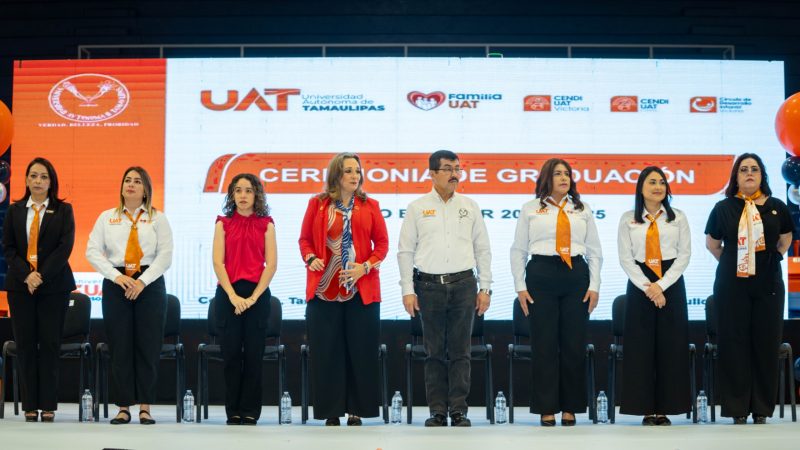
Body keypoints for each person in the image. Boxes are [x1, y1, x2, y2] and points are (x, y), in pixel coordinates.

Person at [398, 149, 492, 427]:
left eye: (458, 168)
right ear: (433, 173)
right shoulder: (417, 207)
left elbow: (482, 249)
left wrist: (485, 287)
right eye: (448, 168)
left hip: (464, 285)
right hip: (428, 286)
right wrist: (407, 289)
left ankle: (459, 410)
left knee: (461, 351)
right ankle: (437, 410)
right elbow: (405, 251)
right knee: (434, 352)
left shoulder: (470, 205)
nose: (455, 174)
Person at [510, 158, 602, 426]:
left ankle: (571, 407)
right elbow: (518, 249)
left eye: (568, 174)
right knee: (545, 344)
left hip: (575, 275)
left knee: (574, 344)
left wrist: (594, 285)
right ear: (546, 179)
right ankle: (546, 407)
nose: (564, 178)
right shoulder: (530, 209)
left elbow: (595, 251)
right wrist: (520, 286)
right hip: (541, 275)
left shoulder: (582, 209)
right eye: (558, 174)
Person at [299, 152, 388, 426]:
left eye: (357, 171)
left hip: (361, 290)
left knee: (360, 352)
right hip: (325, 289)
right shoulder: (318, 204)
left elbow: (382, 245)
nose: (355, 176)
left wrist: (366, 266)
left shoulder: (370, 205)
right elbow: (304, 240)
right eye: (349, 171)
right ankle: (331, 411)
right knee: (327, 353)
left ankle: (356, 410)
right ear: (336, 174)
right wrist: (310, 258)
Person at [705, 153, 793, 425]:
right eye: (743, 170)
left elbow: (785, 240)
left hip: (768, 282)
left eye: (754, 169)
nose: (749, 173)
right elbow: (713, 244)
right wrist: (738, 262)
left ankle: (762, 409)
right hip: (732, 283)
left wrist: (764, 262)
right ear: (736, 177)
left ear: (762, 175)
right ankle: (737, 408)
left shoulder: (777, 206)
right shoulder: (723, 208)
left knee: (765, 343)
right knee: (734, 342)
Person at [86, 166, 173, 425]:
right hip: (117, 283)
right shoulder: (106, 217)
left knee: (147, 345)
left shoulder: (158, 218)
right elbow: (92, 251)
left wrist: (142, 281)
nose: (131, 185)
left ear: (146, 189)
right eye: (127, 180)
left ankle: (145, 407)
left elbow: (165, 255)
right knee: (120, 346)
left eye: (137, 181)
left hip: (150, 284)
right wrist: (116, 276)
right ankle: (123, 407)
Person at [2, 157, 75, 422]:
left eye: (44, 177)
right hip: (20, 287)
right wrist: (27, 276)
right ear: (26, 180)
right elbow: (8, 248)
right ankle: (30, 404)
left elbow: (64, 248)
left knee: (50, 344)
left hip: (54, 287)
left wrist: (41, 275)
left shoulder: (64, 210)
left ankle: (48, 405)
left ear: (51, 181)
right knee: (25, 346)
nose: (38, 181)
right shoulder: (15, 210)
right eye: (33, 176)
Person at [617, 166, 691, 425]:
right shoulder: (628, 218)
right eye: (652, 182)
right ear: (641, 188)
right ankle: (646, 409)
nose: (658, 186)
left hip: (671, 282)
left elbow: (684, 256)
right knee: (641, 349)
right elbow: (626, 258)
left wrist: (662, 285)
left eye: (662, 182)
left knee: (671, 347)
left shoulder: (677, 217)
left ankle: (667, 408)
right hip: (641, 285)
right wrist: (649, 287)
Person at [212, 173, 277, 425]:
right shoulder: (222, 223)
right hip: (228, 294)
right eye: (237, 190)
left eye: (248, 190)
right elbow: (218, 262)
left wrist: (252, 298)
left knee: (253, 356)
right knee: (230, 356)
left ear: (256, 195)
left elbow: (270, 265)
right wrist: (232, 296)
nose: (242, 195)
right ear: (231, 195)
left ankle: (250, 410)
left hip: (257, 296)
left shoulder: (267, 224)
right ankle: (233, 411)